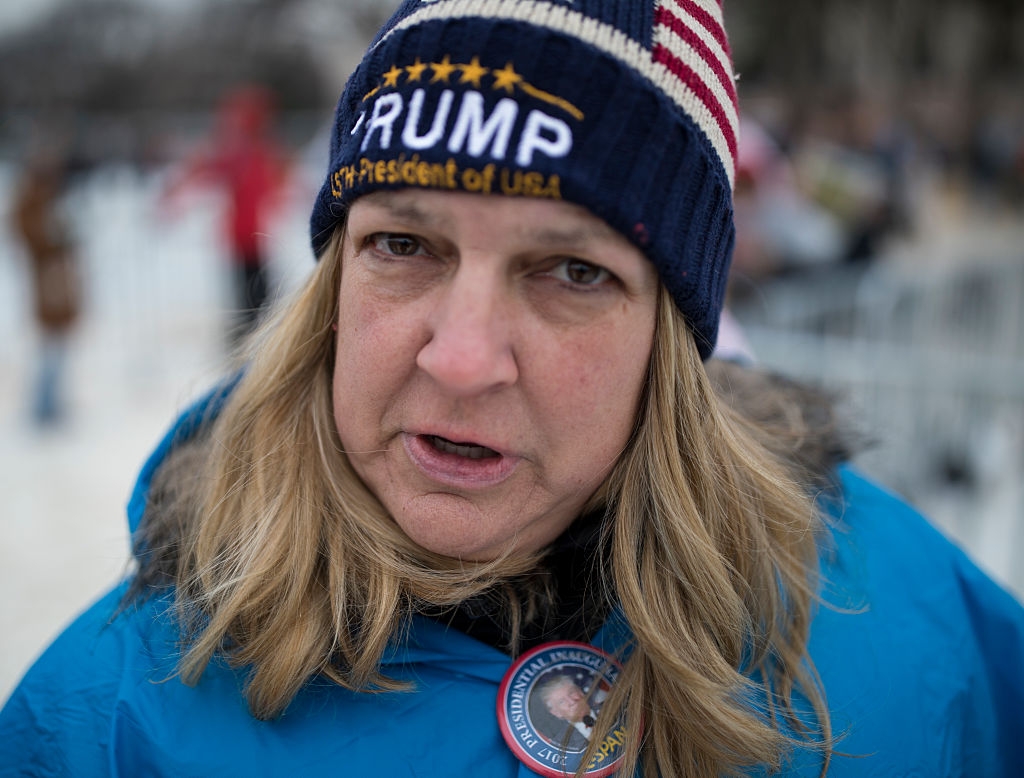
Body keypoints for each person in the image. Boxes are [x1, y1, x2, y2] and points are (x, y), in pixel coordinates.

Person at [2, 2, 1023, 777]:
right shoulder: (101, 716)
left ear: (673, 339)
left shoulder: (912, 613)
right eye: (402, 244)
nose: (460, 358)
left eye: (572, 271)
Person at [161, 84, 289, 343]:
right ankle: (248, 338)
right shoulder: (239, 153)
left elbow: (276, 180)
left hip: (254, 234)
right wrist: (174, 197)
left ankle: (256, 333)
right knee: (250, 292)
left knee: (259, 289)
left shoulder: (260, 151)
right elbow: (201, 171)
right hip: (242, 235)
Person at [10, 141, 82, 426]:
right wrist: (56, 242)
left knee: (59, 342)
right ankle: (43, 405)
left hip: (58, 280)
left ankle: (51, 402)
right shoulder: (30, 203)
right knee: (50, 343)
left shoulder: (50, 201)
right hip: (47, 281)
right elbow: (34, 239)